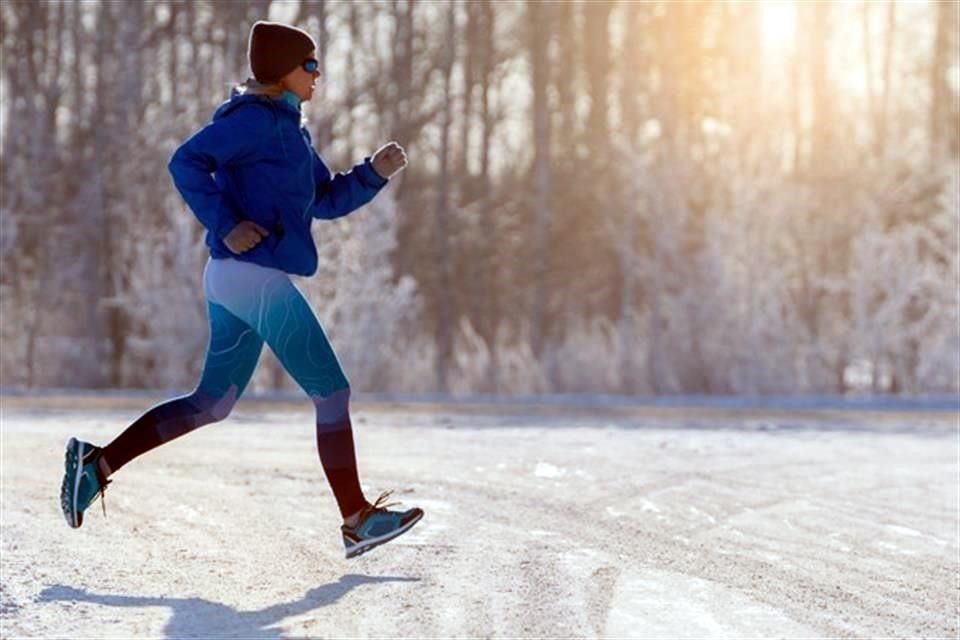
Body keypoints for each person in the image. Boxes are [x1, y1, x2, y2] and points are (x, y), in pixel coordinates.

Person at [59, 21, 423, 559]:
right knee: (332, 392)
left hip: (237, 276)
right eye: (310, 65)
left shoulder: (288, 128)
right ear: (284, 71)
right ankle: (355, 519)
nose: (318, 74)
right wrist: (226, 222)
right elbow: (184, 162)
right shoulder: (253, 121)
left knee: (212, 403)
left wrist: (373, 173)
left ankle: (97, 465)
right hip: (251, 275)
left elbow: (323, 198)